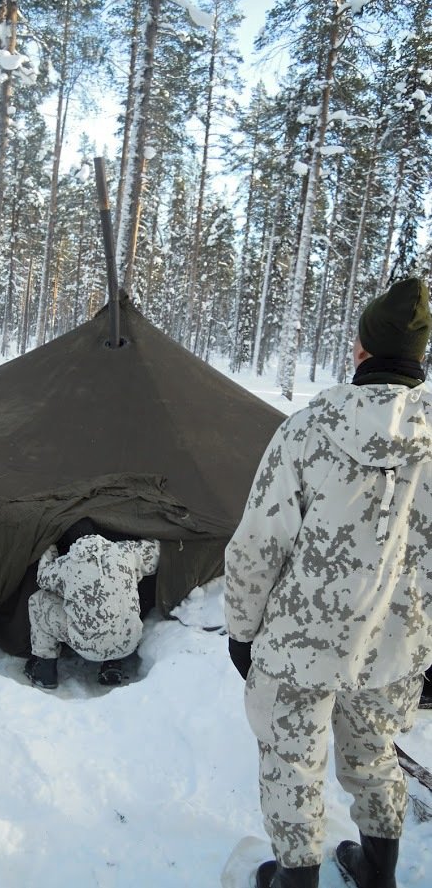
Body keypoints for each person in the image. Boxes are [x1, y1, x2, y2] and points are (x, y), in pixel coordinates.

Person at [224, 275, 432, 888]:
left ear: (361, 349)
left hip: (300, 647)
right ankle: (377, 869)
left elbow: (258, 544)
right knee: (375, 758)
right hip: (395, 647)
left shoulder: (306, 432)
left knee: (292, 765)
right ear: (419, 357)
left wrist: (241, 630)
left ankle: (297, 880)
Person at [24, 518, 160, 689]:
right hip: (128, 644)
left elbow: (43, 579)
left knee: (39, 600)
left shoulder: (68, 564)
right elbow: (155, 553)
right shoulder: (125, 552)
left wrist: (49, 545)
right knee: (116, 599)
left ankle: (44, 671)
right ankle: (112, 666)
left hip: (87, 647)